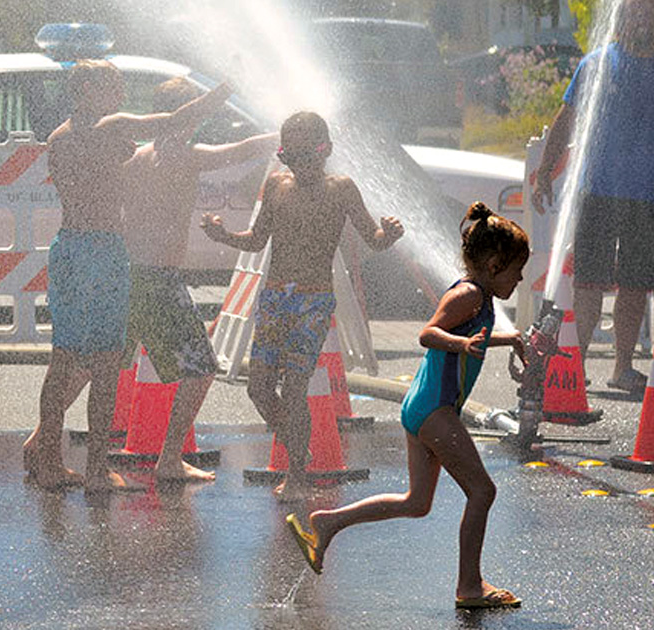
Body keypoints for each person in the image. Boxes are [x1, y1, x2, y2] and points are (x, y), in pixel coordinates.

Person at [286, 202, 528, 610]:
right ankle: (470, 586)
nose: (520, 278)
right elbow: (428, 332)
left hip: (424, 408)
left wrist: (512, 339)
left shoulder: (478, 295)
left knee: (416, 503)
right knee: (482, 491)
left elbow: (474, 334)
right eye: (515, 269)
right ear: (492, 263)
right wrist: (460, 344)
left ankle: (328, 522)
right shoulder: (468, 294)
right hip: (435, 410)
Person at [21, 60, 232, 493]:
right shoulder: (109, 126)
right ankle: (98, 471)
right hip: (102, 249)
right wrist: (226, 88)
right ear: (87, 90)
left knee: (63, 357)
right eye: (112, 85)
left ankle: (49, 461)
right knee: (103, 362)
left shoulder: (60, 136)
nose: (119, 94)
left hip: (68, 248)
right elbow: (174, 121)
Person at [201, 111, 404, 501]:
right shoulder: (277, 186)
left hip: (313, 300)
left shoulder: (341, 188)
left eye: (304, 156)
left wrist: (389, 235)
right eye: (288, 156)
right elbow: (257, 241)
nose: (297, 164)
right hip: (276, 298)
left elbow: (373, 239)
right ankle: (299, 447)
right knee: (258, 389)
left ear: (324, 150)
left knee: (294, 390)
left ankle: (298, 473)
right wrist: (223, 235)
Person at [532, 0, 654, 395]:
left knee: (635, 285)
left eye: (648, 13)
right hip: (598, 192)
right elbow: (567, 117)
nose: (640, 19)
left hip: (651, 198)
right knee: (589, 283)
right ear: (622, 18)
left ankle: (623, 367)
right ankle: (574, 364)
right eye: (633, 12)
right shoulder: (596, 63)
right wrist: (545, 170)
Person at [120, 77, 277, 482]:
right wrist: (286, 135)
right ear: (186, 117)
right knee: (202, 367)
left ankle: (41, 441)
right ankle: (170, 459)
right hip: (158, 279)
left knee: (97, 365)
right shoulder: (184, 157)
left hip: (129, 274)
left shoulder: (139, 157)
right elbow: (241, 150)